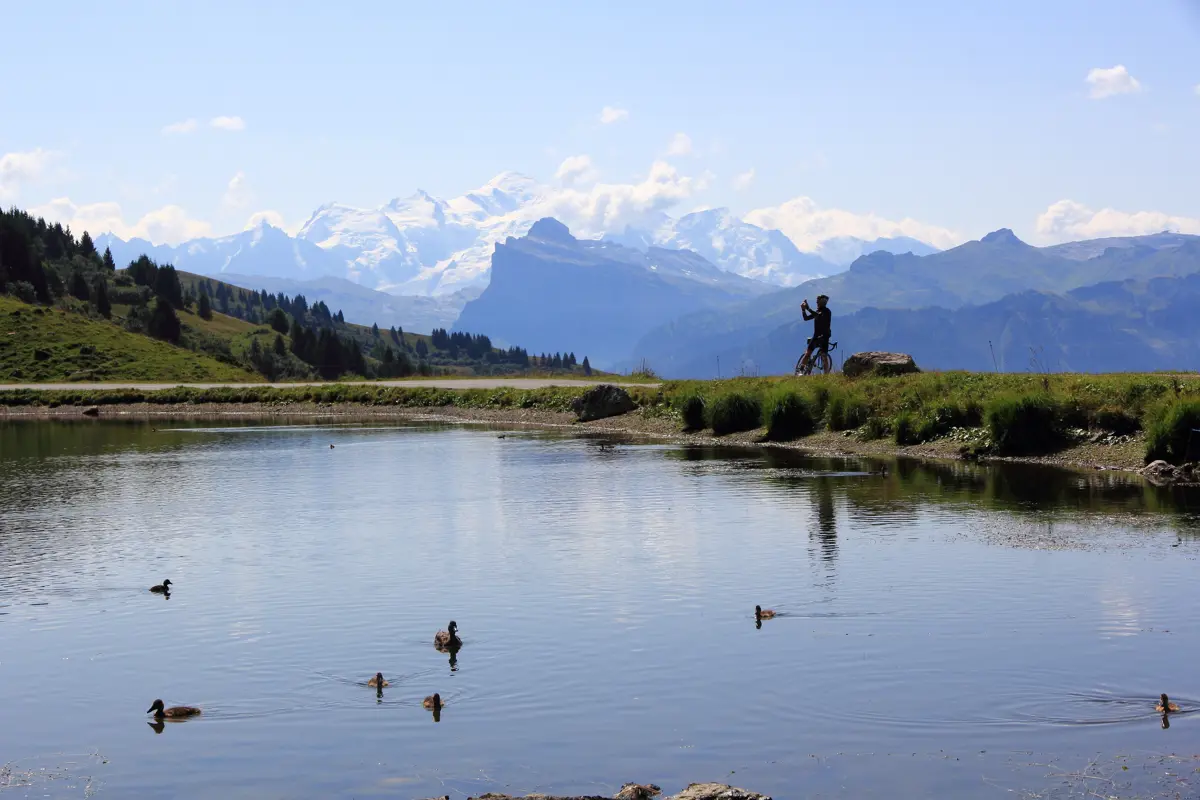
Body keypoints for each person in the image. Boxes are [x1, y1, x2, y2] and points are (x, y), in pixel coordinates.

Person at [798, 294, 832, 373]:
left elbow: (817, 315)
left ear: (821, 303)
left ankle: (825, 374)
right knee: (809, 354)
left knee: (822, 356)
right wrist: (803, 310)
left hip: (823, 337)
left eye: (817, 302)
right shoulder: (818, 312)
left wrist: (807, 308)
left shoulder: (826, 312)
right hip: (820, 336)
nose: (816, 303)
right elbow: (806, 318)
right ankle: (801, 370)